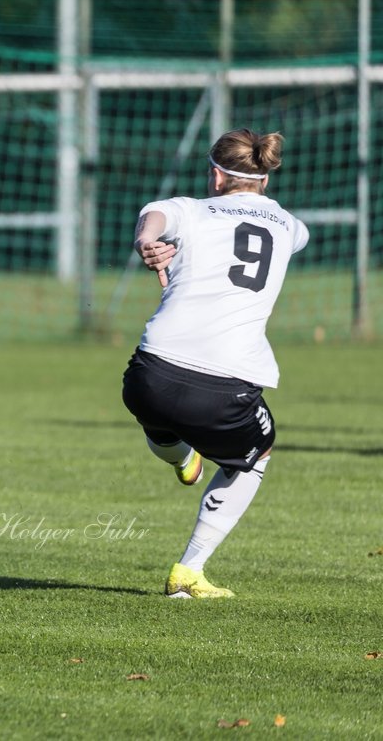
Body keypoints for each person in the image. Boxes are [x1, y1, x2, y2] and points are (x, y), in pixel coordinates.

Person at [122, 128, 308, 598]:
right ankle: (188, 572)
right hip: (224, 386)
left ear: (216, 176)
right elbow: (287, 238)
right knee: (257, 454)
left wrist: (150, 243)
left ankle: (180, 452)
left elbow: (154, 215)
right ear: (263, 179)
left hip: (149, 373)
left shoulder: (191, 211)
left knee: (163, 419)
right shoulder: (289, 227)